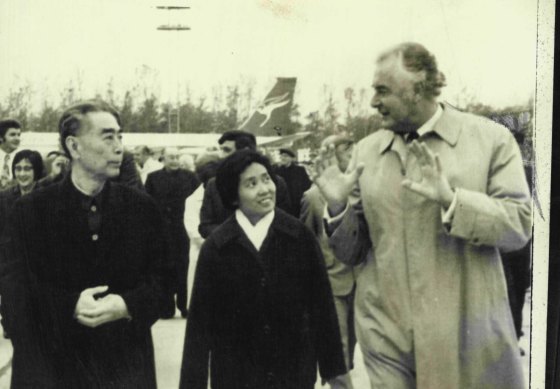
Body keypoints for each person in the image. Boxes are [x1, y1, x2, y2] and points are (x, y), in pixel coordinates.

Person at [315, 43, 532, 388]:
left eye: (382, 90)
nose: (373, 101)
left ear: (417, 89)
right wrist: (339, 209)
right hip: (386, 334)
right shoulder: (366, 152)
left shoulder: (491, 140)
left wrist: (452, 201)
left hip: (465, 335)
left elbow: (519, 224)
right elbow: (352, 251)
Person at [0, 99, 173, 388]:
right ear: (74, 147)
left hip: (122, 370)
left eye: (120, 136)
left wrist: (127, 304)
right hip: (51, 371)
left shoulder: (141, 209)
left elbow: (165, 283)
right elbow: (14, 293)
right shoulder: (30, 211)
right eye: (108, 137)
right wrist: (69, 305)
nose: (119, 147)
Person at [180, 149, 346, 389]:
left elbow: (323, 308)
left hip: (293, 373)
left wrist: (335, 373)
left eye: (267, 178)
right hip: (234, 375)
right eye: (251, 183)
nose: (265, 189)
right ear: (233, 195)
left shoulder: (299, 237)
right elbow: (199, 325)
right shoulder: (217, 247)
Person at [301, 135, 360, 389]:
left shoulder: (363, 188)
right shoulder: (313, 197)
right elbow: (305, 242)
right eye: (347, 153)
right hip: (332, 282)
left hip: (363, 279)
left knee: (354, 345)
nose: (354, 158)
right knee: (339, 346)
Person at [198, 130, 292, 238]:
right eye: (221, 150)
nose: (221, 156)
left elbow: (286, 224)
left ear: (246, 151)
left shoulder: (276, 184)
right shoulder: (213, 185)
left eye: (226, 150)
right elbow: (205, 226)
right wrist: (235, 237)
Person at [145, 147, 200, 318]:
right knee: (164, 269)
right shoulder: (153, 178)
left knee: (184, 268)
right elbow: (147, 204)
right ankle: (166, 307)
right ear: (163, 159)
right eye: (171, 157)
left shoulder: (190, 177)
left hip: (184, 231)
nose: (174, 160)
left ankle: (185, 306)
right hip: (162, 232)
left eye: (177, 157)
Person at [0, 150, 45, 341]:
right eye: (18, 168)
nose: (22, 173)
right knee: (11, 301)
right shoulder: (5, 197)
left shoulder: (46, 195)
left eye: (27, 168)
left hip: (39, 259)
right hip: (10, 258)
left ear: (37, 171)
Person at [275, 147, 311, 217]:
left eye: (285, 156)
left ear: (291, 158)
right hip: (283, 207)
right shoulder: (277, 171)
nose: (282, 158)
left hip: (298, 206)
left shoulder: (300, 170)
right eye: (281, 156)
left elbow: (307, 186)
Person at [0, 119, 22, 189]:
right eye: (12, 135)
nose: (17, 138)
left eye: (19, 135)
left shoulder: (24, 157)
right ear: (1, 138)